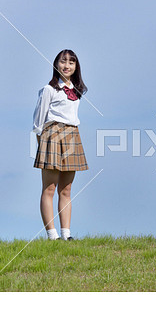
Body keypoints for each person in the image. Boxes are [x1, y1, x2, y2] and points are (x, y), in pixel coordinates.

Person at [32, 49, 89, 241]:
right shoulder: (49, 89)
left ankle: (66, 235)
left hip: (72, 135)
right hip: (52, 135)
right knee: (49, 188)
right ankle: (52, 235)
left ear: (76, 67)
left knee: (66, 190)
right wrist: (41, 143)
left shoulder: (76, 91)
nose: (67, 65)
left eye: (71, 62)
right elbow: (38, 121)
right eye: (63, 61)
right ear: (56, 64)